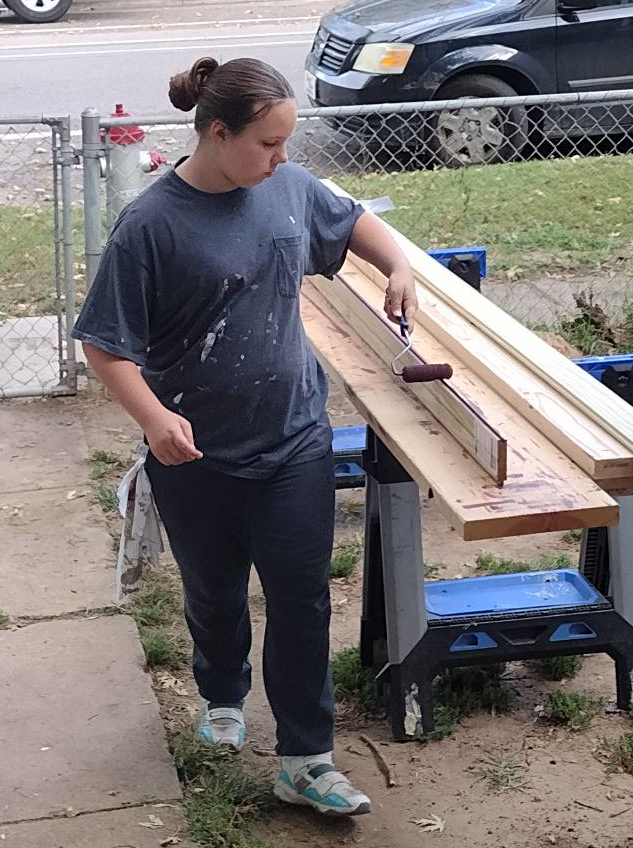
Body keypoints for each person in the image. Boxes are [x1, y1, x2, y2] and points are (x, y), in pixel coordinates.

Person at [71, 56, 418, 818]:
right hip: (195, 458)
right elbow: (104, 344)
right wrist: (153, 418)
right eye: (268, 143)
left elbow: (352, 220)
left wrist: (397, 264)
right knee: (215, 592)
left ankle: (306, 759)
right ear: (218, 134)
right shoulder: (150, 227)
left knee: (301, 601)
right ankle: (223, 690)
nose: (282, 158)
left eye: (287, 142)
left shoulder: (287, 189)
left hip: (294, 442)